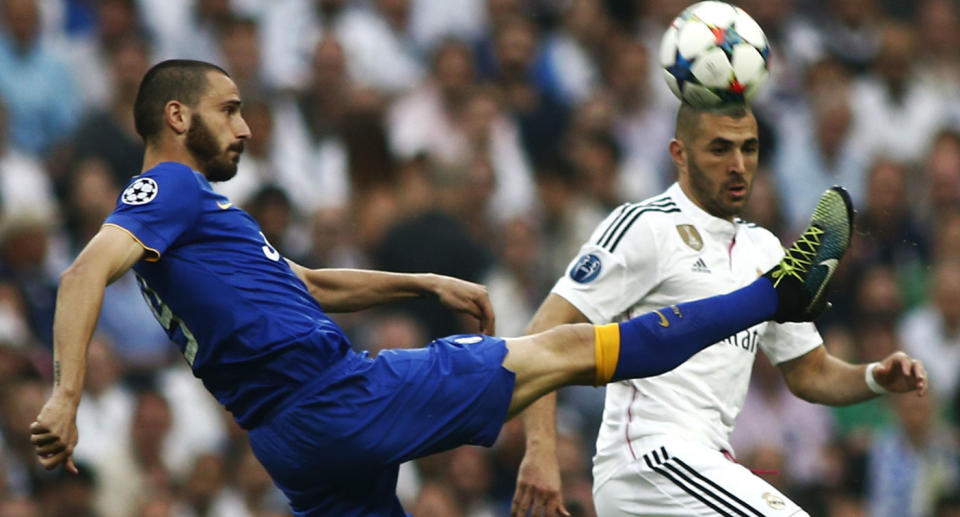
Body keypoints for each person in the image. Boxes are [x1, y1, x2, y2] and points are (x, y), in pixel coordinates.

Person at [32, 60, 860, 517]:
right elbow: (80, 272)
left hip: (292, 444)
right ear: (177, 117)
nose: (246, 126)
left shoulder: (199, 222)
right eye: (230, 108)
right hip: (334, 398)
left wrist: (420, 280)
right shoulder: (164, 193)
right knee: (567, 349)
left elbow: (310, 282)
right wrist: (67, 393)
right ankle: (775, 293)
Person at [510, 102, 929, 517]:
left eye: (749, 149)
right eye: (720, 149)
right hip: (648, 459)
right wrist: (541, 453)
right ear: (680, 154)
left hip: (706, 463)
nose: (738, 164)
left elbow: (810, 373)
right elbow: (543, 331)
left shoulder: (765, 250)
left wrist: (875, 377)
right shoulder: (646, 226)